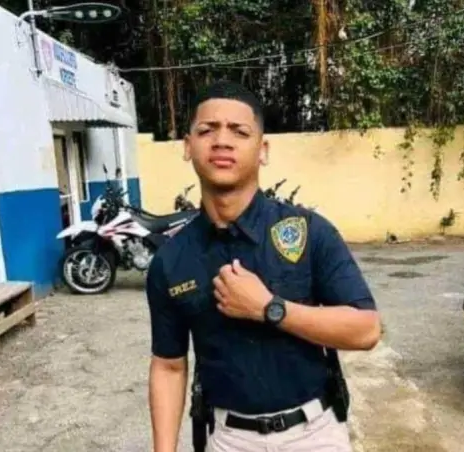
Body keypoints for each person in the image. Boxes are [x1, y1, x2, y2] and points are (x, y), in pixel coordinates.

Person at [145, 80, 381, 452]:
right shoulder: (171, 260)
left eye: (239, 131)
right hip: (229, 439)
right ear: (188, 147)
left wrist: (269, 308)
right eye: (207, 130)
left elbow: (366, 330)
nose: (222, 141)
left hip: (314, 435)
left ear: (263, 150)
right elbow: (169, 366)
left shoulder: (308, 232)